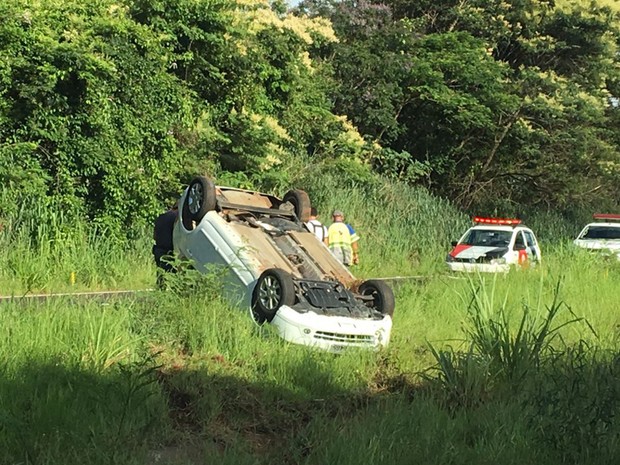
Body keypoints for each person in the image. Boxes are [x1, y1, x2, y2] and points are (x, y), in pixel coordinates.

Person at [153, 202, 178, 288]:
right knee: (175, 276)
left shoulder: (160, 217)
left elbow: (154, 236)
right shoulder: (177, 217)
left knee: (161, 275)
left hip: (159, 249)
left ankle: (160, 292)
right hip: (171, 250)